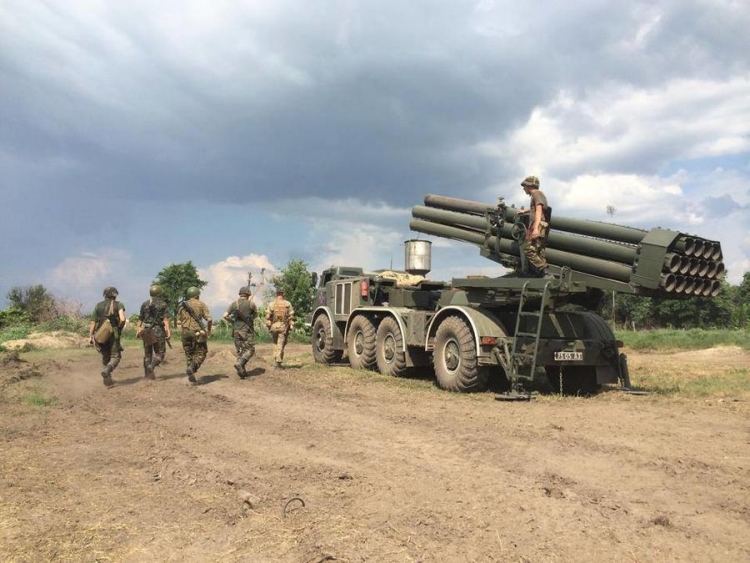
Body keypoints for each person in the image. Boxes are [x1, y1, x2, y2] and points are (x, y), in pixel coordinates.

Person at [88, 286, 126, 387]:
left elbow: (93, 322)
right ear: (115, 295)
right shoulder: (119, 304)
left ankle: (107, 380)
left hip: (101, 335)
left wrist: (91, 336)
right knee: (115, 356)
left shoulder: (98, 305)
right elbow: (122, 319)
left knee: (105, 356)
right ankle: (107, 370)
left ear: (105, 295)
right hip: (114, 334)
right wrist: (118, 328)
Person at [517, 175, 552, 278]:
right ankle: (543, 274)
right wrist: (525, 211)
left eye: (524, 186)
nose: (524, 189)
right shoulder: (537, 195)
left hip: (539, 224)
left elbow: (539, 209)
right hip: (541, 224)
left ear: (529, 186)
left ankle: (544, 270)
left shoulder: (536, 194)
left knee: (528, 249)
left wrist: (536, 228)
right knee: (539, 250)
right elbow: (535, 208)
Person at [177, 286, 212, 384]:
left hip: (185, 332)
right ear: (197, 295)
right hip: (197, 332)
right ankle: (192, 368)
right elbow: (209, 319)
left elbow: (179, 321)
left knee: (189, 353)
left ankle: (190, 374)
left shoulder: (181, 306)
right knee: (202, 352)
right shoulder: (201, 305)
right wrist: (208, 330)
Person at [136, 283, 171, 380]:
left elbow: (140, 318)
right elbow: (165, 319)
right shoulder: (163, 304)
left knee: (147, 354)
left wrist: (138, 329)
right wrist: (168, 331)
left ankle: (148, 375)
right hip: (158, 330)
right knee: (160, 353)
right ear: (159, 293)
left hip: (146, 330)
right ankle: (151, 366)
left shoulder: (144, 304)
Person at [222, 286, 258, 379]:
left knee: (240, 351)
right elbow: (255, 315)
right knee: (250, 349)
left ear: (240, 294)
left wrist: (233, 322)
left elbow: (225, 315)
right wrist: (249, 320)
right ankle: (240, 363)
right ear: (248, 295)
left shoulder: (233, 304)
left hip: (236, 331)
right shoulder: (251, 304)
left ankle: (242, 371)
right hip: (246, 331)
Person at [265, 288, 295, 368]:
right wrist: (289, 321)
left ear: (276, 294)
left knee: (275, 342)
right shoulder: (287, 304)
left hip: (274, 326)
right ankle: (278, 360)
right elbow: (291, 315)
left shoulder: (272, 304)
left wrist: (269, 322)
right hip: (283, 326)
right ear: (283, 294)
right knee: (281, 343)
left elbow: (267, 316)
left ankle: (276, 358)